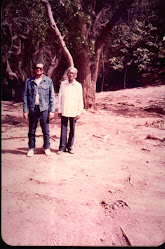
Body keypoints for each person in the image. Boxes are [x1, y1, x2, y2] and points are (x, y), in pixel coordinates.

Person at [23, 61, 55, 157]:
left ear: (43, 70)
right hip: (33, 109)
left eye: (40, 68)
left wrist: (52, 111)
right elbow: (25, 96)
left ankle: (46, 148)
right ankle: (31, 148)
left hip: (44, 109)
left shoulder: (48, 81)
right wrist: (25, 110)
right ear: (34, 69)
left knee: (45, 130)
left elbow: (52, 97)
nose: (38, 70)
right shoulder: (29, 81)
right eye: (37, 68)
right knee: (32, 130)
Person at [57, 66, 84, 154]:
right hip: (64, 109)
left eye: (73, 73)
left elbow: (80, 99)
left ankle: (70, 147)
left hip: (73, 111)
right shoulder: (63, 84)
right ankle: (62, 147)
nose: (71, 75)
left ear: (75, 75)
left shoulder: (78, 85)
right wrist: (59, 110)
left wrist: (79, 112)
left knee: (72, 129)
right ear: (67, 74)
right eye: (70, 73)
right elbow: (60, 97)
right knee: (64, 129)